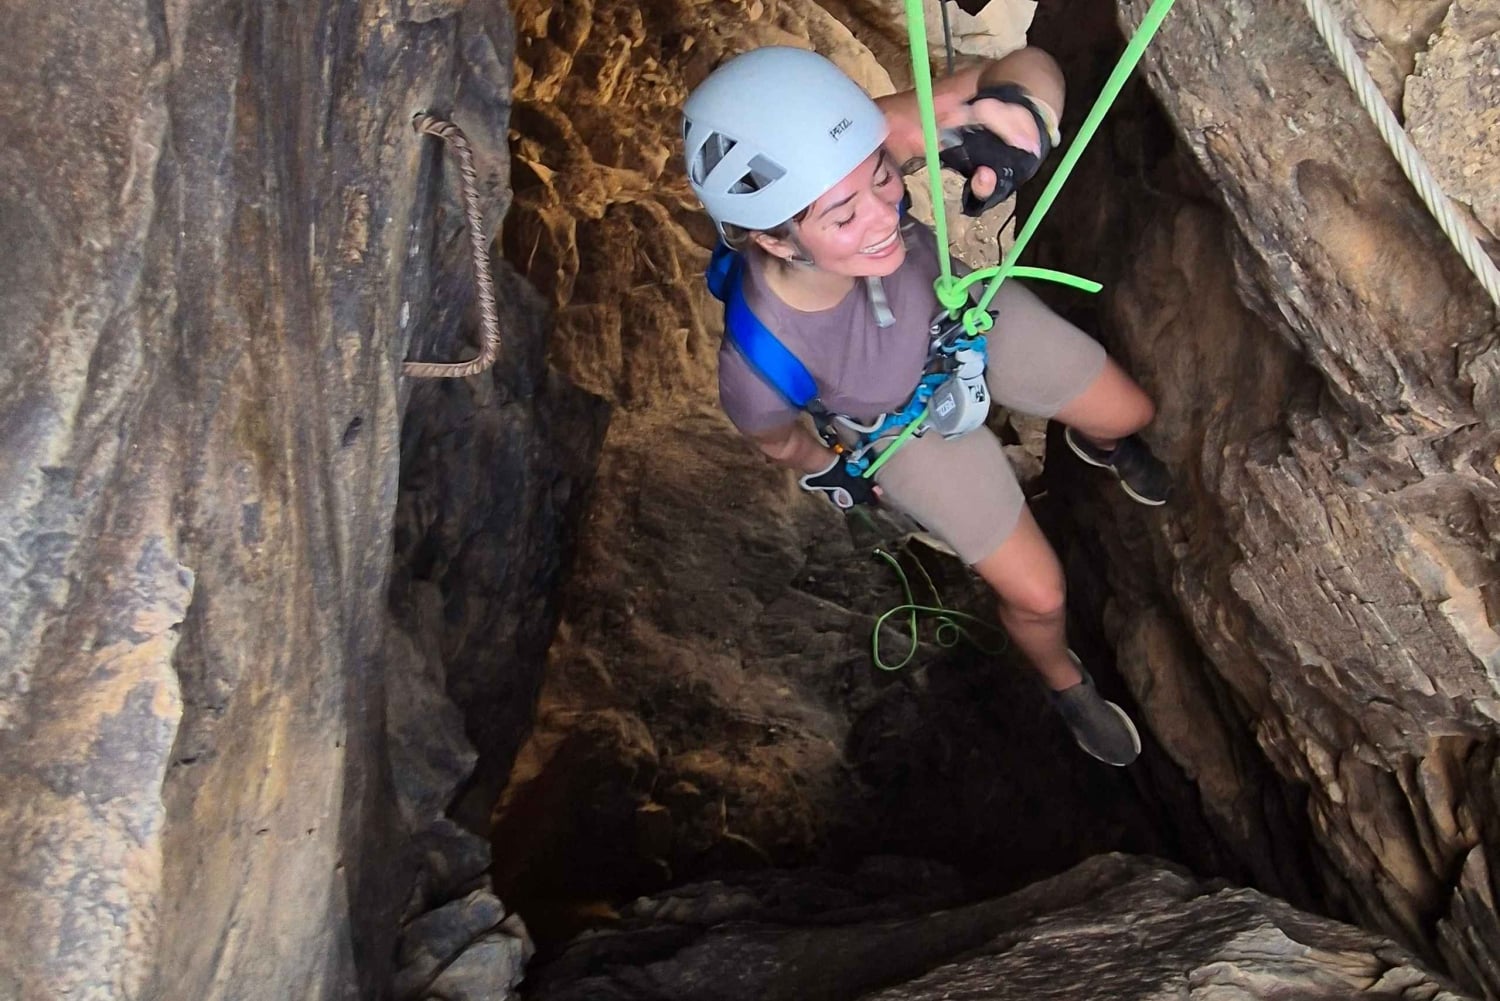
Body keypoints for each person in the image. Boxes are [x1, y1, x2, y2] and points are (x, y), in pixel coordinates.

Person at [681, 45, 1170, 766]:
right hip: (901, 427)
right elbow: (779, 441)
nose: (884, 215)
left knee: (1132, 415)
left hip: (960, 316)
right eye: (843, 215)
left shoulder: (856, 145)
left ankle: (1101, 443)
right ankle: (1064, 682)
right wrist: (839, 471)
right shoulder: (759, 362)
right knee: (1039, 594)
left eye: (882, 178)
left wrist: (1023, 111)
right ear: (773, 241)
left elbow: (1029, 63)